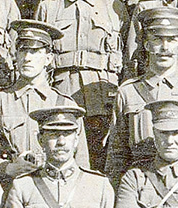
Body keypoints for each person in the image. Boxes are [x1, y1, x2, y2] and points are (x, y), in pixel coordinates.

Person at [106, 6, 178, 186]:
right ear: (146, 44)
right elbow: (117, 156)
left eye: (171, 39)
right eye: (157, 39)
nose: (165, 47)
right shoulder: (128, 92)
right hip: (142, 187)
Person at [0, 20, 89, 184]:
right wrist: (6, 168)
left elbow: (81, 163)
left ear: (48, 59)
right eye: (23, 51)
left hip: (53, 191)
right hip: (8, 189)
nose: (27, 58)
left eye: (35, 52)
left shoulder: (65, 105)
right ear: (15, 56)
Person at [35, 0, 129, 171]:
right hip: (63, 95)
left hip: (103, 99)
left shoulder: (114, 8)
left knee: (105, 160)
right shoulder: (49, 6)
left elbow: (128, 61)